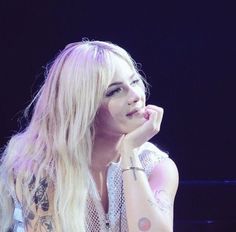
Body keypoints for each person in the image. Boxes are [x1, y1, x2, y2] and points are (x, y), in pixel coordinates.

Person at [0, 40, 179, 232]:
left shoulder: (156, 166)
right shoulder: (39, 166)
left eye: (135, 81)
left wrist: (129, 153)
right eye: (115, 91)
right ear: (83, 106)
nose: (136, 95)